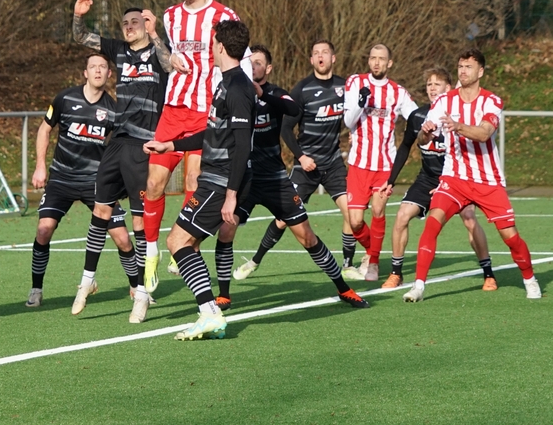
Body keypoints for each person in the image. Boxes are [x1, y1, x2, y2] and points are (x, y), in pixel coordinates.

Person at [145, 22, 368, 340]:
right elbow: (214, 132)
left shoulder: (239, 88)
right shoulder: (227, 84)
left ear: (221, 46)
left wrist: (231, 195)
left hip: (229, 179)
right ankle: (215, 304)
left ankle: (210, 313)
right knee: (189, 241)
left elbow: (243, 144)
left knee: (178, 242)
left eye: (212, 43)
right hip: (223, 177)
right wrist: (171, 145)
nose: (210, 48)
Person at [404, 49, 541, 302]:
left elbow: (484, 133)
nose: (463, 71)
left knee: (510, 237)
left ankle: (530, 279)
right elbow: (422, 139)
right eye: (460, 66)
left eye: (468, 67)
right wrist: (426, 132)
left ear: (480, 72)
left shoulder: (491, 101)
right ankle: (419, 286)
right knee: (432, 224)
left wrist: (458, 126)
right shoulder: (444, 101)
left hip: (487, 181)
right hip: (454, 179)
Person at [141, 0, 244, 294]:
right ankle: (151, 252)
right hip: (174, 108)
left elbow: (237, 56)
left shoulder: (223, 16)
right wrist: (167, 55)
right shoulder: (170, 15)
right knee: (154, 183)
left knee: (193, 180)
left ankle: (186, 243)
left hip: (205, 110)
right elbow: (165, 58)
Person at [70, 0, 170, 323]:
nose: (128, 27)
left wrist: (155, 34)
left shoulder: (159, 51)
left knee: (140, 222)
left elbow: (172, 66)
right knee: (101, 210)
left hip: (144, 145)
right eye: (125, 23)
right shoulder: (119, 50)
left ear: (146, 24)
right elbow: (81, 37)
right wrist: (78, 16)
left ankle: (141, 293)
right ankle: (87, 280)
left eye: (134, 22)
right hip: (117, 142)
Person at [235, 39, 357, 279]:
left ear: (333, 58)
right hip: (306, 166)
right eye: (316, 53)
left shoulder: (345, 88)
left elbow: (357, 116)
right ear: (311, 59)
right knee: (283, 220)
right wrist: (301, 157)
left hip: (333, 164)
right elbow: (286, 128)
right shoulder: (302, 89)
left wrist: (356, 131)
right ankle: (254, 261)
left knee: (352, 213)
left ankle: (348, 264)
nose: (320, 56)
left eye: (325, 52)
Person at [375, 67, 496, 290]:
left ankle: (488, 274)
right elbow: (405, 147)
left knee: (469, 218)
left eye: (437, 84)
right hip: (427, 178)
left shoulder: (458, 116)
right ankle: (396, 273)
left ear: (448, 88)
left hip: (457, 178)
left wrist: (448, 183)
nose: (432, 88)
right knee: (401, 216)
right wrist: (390, 180)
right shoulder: (418, 117)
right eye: (429, 84)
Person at [27, 53, 132, 308]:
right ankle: (36, 289)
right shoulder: (65, 99)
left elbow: (123, 148)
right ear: (85, 73)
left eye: (102, 67)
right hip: (61, 179)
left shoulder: (114, 110)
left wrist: (122, 179)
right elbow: (44, 129)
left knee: (122, 239)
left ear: (109, 74)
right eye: (92, 67)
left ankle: (137, 288)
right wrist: (40, 166)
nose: (97, 71)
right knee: (44, 230)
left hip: (95, 182)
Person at [343, 44, 418, 282]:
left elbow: (416, 117)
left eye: (381, 59)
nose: (376, 62)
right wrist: (360, 103)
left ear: (389, 63)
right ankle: (370, 250)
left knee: (378, 211)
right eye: (373, 58)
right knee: (355, 222)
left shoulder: (398, 92)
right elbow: (348, 121)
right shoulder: (355, 82)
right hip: (358, 164)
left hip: (385, 165)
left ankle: (373, 263)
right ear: (369, 61)